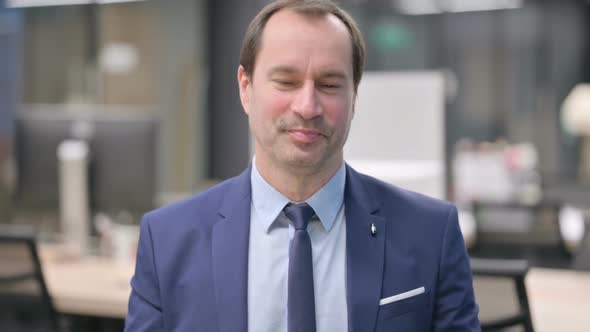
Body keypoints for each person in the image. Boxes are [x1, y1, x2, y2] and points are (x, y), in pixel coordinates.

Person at [124, 0, 480, 331]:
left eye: (329, 84)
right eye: (286, 82)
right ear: (245, 88)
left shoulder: (432, 234)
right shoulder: (167, 241)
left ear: (354, 96)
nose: (308, 106)